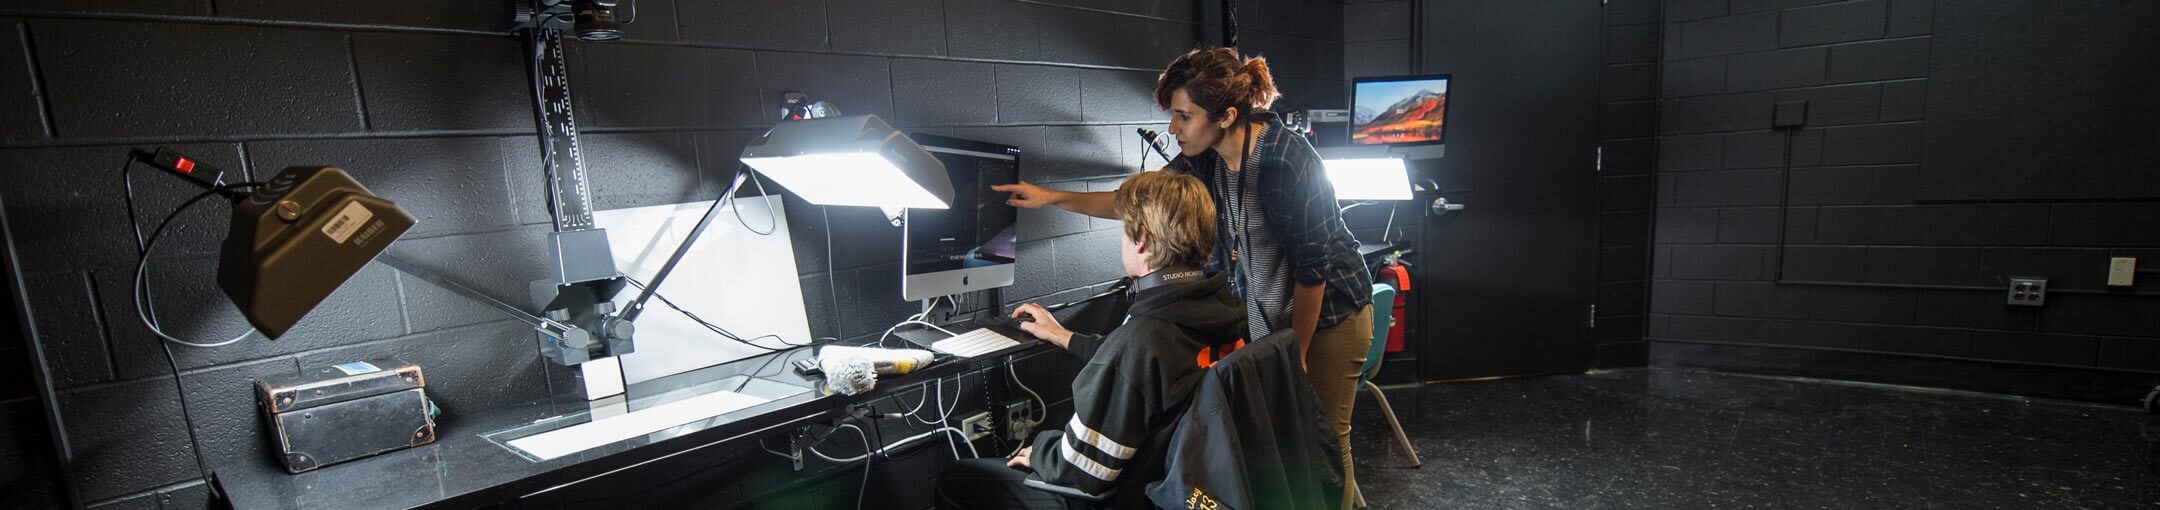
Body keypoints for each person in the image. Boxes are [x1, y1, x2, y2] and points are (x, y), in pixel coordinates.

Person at [991, 47, 1375, 509]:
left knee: (1320, 441)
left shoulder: (1286, 161)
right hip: (1278, 313)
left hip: (1330, 313)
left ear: (1227, 115)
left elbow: (1313, 274)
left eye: (1183, 116)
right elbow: (1134, 203)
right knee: (1285, 447)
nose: (1173, 128)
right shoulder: (1205, 156)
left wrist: (1294, 353)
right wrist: (1050, 197)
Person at [934, 171, 1246, 510]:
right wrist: (1064, 336)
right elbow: (1148, 368)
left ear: (1140, 239)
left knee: (957, 481)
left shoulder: (1141, 339)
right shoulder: (1223, 308)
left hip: (1120, 493)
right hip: (1186, 481)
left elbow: (1085, 470)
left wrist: (1039, 450)